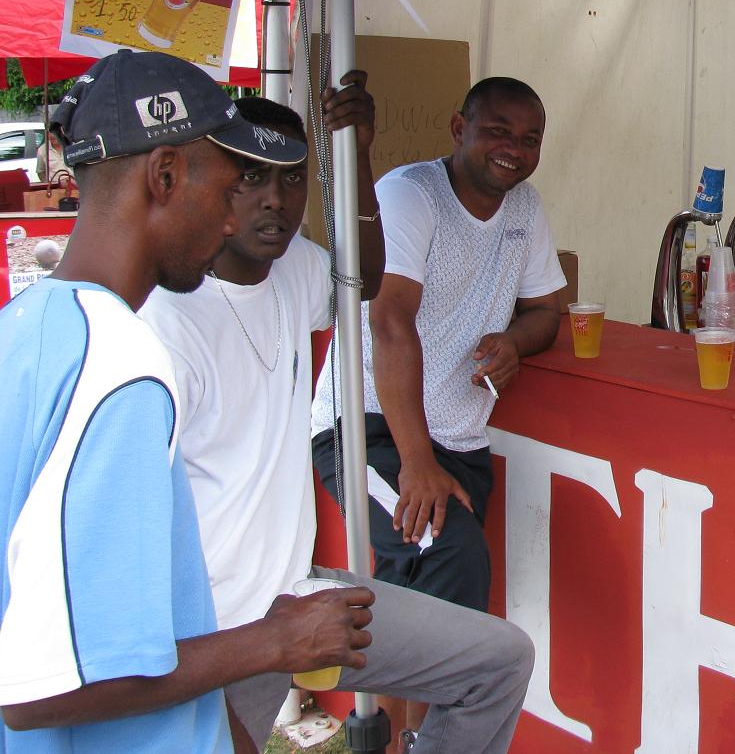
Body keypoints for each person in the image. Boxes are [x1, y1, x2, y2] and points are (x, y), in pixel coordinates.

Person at [139, 82, 535, 754]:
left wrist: (354, 155)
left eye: (292, 179)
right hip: (210, 629)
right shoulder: (162, 327)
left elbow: (369, 276)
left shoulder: (295, 267)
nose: (273, 198)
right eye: (249, 177)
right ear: (204, 182)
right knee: (447, 545)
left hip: (294, 597)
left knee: (497, 659)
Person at [0, 50, 372, 754]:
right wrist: (276, 638)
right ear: (165, 175)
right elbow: (41, 686)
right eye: (228, 188)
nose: (233, 223)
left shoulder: (29, 325)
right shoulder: (120, 363)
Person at [311, 75, 565, 744]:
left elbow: (547, 313)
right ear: (458, 128)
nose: (514, 148)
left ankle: (391, 738)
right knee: (452, 556)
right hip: (367, 428)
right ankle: (420, 737)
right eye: (498, 130)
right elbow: (388, 322)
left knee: (414, 597)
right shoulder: (407, 193)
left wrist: (513, 340)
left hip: (458, 437)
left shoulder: (525, 208)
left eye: (529, 137)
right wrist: (416, 462)